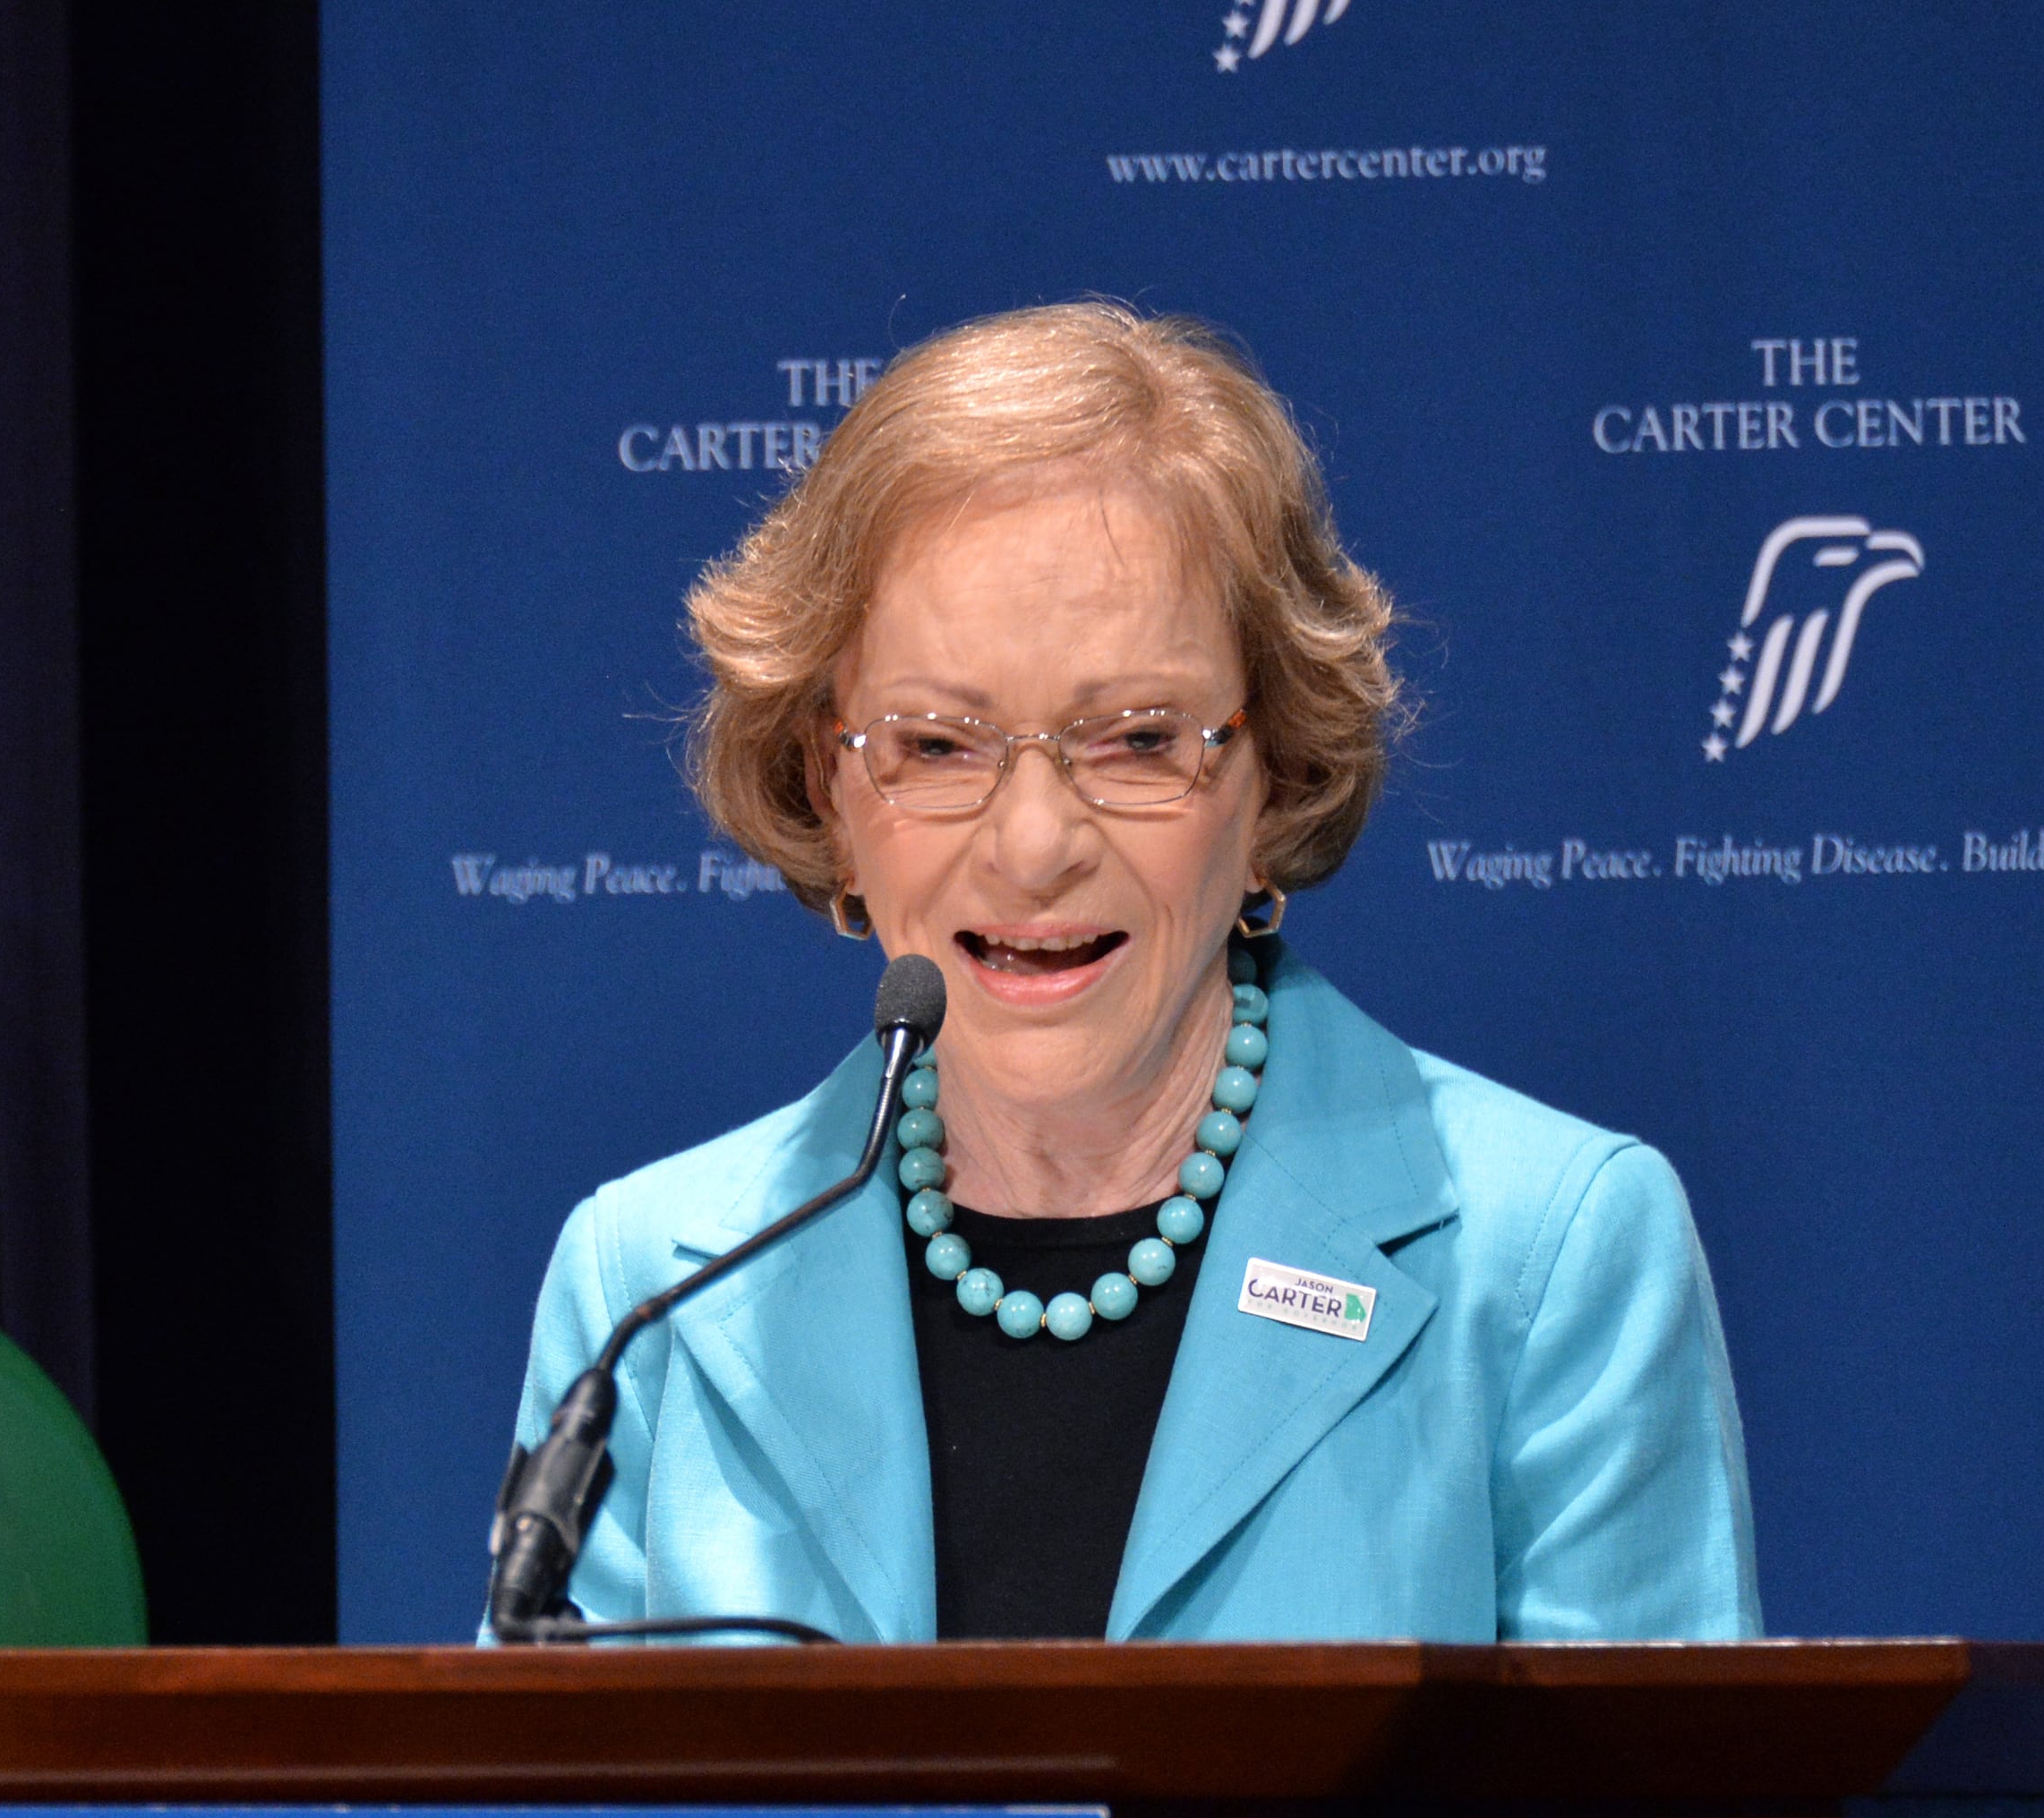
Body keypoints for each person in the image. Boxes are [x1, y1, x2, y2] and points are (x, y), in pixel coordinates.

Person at [508, 303, 1758, 1643]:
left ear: (1273, 778)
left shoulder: (1551, 1257)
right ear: (829, 788)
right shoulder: (649, 1292)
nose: (1035, 844)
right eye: (936, 745)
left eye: (1137, 742)